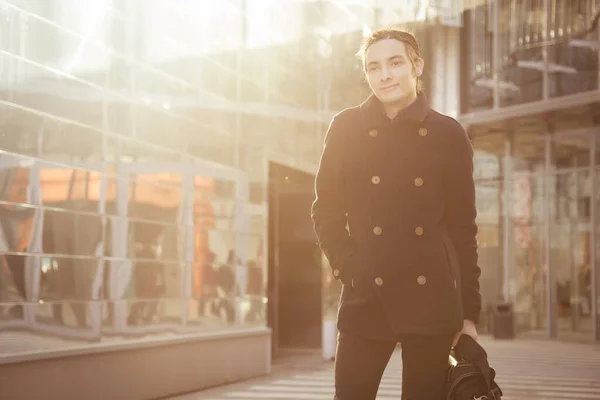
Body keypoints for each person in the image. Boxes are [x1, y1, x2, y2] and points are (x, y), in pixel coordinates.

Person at [311, 27, 481, 400]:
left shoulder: (448, 134)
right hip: (366, 295)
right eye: (373, 67)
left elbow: (462, 230)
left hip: (432, 301)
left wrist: (469, 316)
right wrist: (350, 268)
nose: (384, 75)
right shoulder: (346, 128)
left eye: (394, 63)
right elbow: (325, 208)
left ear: (416, 65)